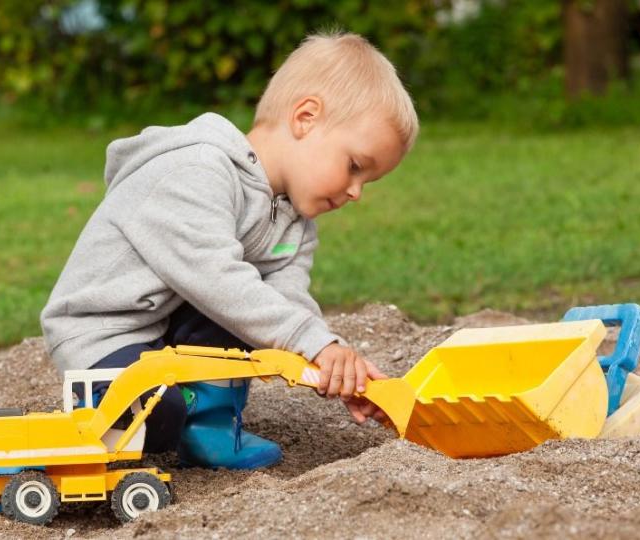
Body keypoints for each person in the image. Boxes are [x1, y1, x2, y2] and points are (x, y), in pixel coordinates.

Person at [40, 31, 419, 470]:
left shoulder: (296, 222)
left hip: (169, 325)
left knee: (255, 312)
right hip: (105, 334)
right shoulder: (196, 170)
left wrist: (331, 361)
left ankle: (210, 425)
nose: (356, 192)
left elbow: (285, 302)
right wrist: (310, 342)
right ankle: (176, 417)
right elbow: (216, 280)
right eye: (355, 166)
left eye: (366, 182)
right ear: (306, 117)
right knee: (157, 419)